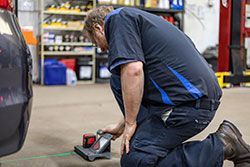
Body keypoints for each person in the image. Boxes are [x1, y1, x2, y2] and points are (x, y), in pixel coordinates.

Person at [84, 6, 250, 167]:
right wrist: (122, 125)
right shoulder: (139, 20)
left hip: (191, 104)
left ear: (98, 28)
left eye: (95, 42)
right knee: (117, 77)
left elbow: (134, 71)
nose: (101, 48)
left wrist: (130, 123)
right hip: (191, 98)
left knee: (135, 161)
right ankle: (147, 141)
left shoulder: (118, 19)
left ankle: (221, 145)